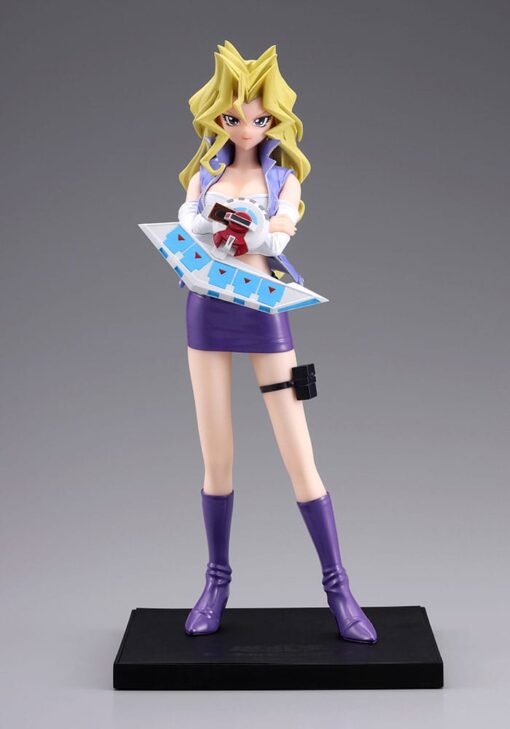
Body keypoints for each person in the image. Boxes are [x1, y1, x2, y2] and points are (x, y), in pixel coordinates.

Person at [177, 41, 377, 643]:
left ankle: (338, 588)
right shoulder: (206, 174)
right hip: (207, 305)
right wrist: (200, 222)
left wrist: (260, 231)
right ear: (215, 117)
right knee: (216, 455)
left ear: (275, 121)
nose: (246, 129)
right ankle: (216, 581)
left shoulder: (281, 177)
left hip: (263, 305)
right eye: (233, 117)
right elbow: (185, 219)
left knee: (298, 451)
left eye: (259, 119)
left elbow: (285, 229)